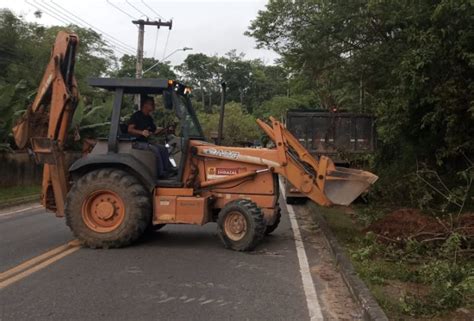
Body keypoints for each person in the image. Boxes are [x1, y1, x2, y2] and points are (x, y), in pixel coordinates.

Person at [128, 96, 176, 179]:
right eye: (152, 104)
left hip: (146, 142)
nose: (154, 106)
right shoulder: (136, 116)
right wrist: (141, 132)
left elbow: (154, 131)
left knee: (163, 148)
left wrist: (166, 130)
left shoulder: (148, 118)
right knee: (155, 150)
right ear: (145, 105)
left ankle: (169, 169)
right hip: (136, 143)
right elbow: (130, 129)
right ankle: (161, 173)